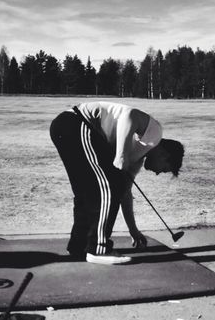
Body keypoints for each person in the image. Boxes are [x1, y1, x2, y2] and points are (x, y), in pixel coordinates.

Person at [49, 101, 185, 265]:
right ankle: (99, 249)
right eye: (164, 169)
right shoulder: (155, 133)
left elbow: (124, 194)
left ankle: (80, 245)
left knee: (88, 192)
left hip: (66, 127)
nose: (157, 173)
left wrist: (133, 230)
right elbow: (130, 115)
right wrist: (121, 156)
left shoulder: (136, 160)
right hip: (77, 123)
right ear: (164, 154)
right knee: (107, 186)